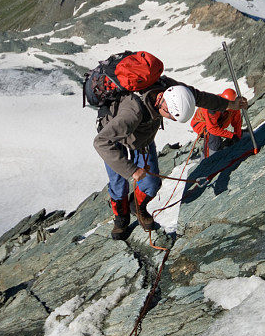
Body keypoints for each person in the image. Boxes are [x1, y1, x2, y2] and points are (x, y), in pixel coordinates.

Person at [94, 76, 249, 240]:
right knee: (118, 182)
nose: (169, 120)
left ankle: (138, 207)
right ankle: (121, 219)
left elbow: (202, 98)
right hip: (113, 136)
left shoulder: (173, 90)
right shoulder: (134, 111)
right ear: (164, 107)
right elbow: (101, 142)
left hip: (142, 136)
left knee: (151, 184)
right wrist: (131, 170)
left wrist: (231, 104)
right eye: (171, 117)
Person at [190, 88, 243, 157]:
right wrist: (231, 135)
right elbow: (212, 129)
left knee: (220, 136)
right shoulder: (211, 106)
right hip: (201, 124)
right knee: (214, 136)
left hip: (218, 124)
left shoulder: (234, 107)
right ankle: (211, 156)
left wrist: (237, 137)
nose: (226, 107)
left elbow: (237, 123)